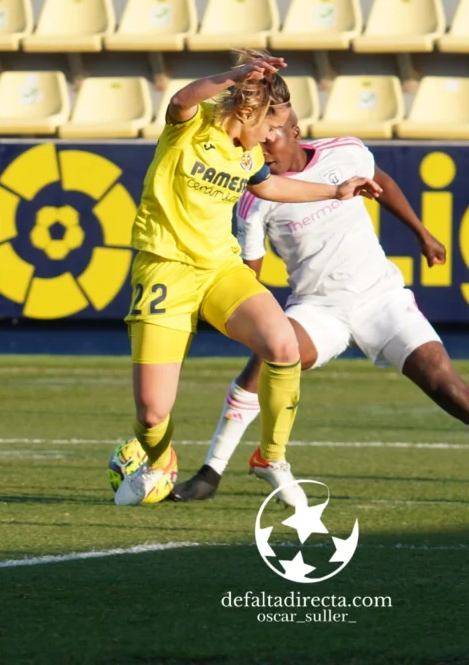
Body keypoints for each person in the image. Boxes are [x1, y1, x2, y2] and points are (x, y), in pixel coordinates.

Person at [170, 108, 469, 507]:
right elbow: (249, 276)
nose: (259, 144)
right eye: (254, 136)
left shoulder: (345, 152)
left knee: (447, 386)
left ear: (294, 131)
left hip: (381, 298)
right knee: (272, 355)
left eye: (269, 134)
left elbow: (383, 182)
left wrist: (422, 233)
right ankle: (212, 471)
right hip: (317, 308)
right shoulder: (255, 197)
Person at [114, 51, 382, 508]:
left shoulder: (250, 155)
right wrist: (234, 75)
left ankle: (270, 457)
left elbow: (269, 186)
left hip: (220, 270)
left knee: (283, 347)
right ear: (246, 111)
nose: (273, 136)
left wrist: (335, 191)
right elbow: (180, 97)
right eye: (270, 124)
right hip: (165, 268)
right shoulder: (191, 125)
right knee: (153, 412)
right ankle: (158, 458)